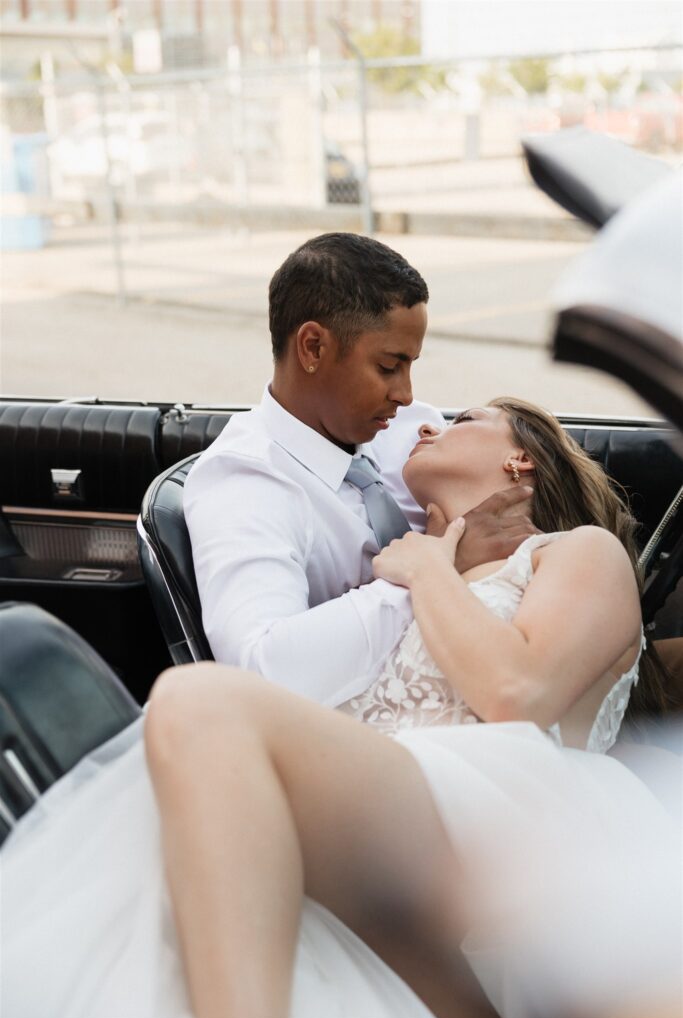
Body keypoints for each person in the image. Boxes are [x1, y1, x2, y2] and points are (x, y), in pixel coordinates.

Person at [3, 397, 679, 1018]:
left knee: (192, 700)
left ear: (519, 459)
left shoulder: (576, 553)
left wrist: (428, 571)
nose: (423, 424)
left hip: (517, 814)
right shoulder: (374, 595)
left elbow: (517, 697)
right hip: (382, 822)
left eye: (459, 419)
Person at [184, 233, 536, 705]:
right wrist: (435, 569)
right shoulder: (245, 482)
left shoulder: (410, 431)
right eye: (389, 366)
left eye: (410, 365)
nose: (406, 394)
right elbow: (260, 669)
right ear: (312, 348)